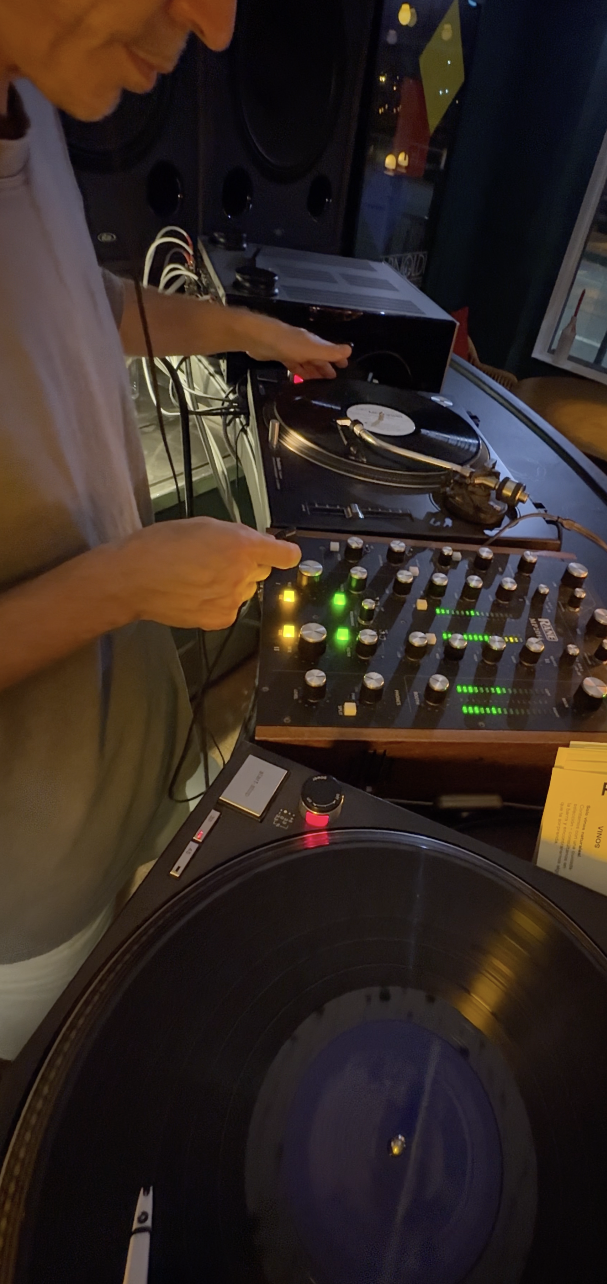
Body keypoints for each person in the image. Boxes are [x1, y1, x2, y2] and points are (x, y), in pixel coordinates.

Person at [0, 0, 351, 1061]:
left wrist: (235, 328)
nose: (213, 23)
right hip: (26, 890)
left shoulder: (29, 94)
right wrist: (126, 583)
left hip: (122, 772)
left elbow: (74, 296)